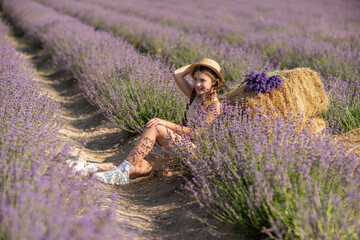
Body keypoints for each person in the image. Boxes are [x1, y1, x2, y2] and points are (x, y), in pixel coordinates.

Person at [68, 58, 224, 185]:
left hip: (192, 152)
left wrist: (166, 123)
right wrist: (198, 65)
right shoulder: (195, 96)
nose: (197, 84)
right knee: (140, 165)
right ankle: (92, 167)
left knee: (156, 125)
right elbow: (177, 74)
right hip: (177, 145)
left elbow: (196, 133)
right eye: (195, 79)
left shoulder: (215, 106)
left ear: (214, 82)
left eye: (202, 80)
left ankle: (120, 173)